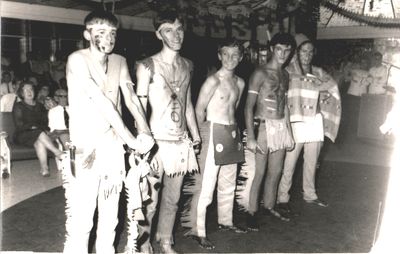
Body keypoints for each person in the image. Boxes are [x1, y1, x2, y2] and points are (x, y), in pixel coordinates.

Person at [63, 10, 154, 254]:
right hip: (86, 149)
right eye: (101, 32)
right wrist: (132, 141)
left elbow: (131, 99)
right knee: (82, 221)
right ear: (87, 34)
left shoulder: (119, 61)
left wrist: (146, 132)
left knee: (111, 218)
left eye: (112, 33)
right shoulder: (77, 59)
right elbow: (103, 102)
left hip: (112, 149)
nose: (108, 38)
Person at [136, 10, 201, 254]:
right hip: (156, 143)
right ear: (158, 34)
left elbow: (188, 104)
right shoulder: (147, 66)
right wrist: (143, 142)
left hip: (180, 142)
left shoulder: (188, 65)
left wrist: (195, 135)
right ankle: (143, 245)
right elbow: (139, 107)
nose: (176, 35)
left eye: (179, 29)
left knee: (173, 199)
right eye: (168, 30)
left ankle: (165, 240)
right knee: (149, 201)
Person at [182, 38, 246, 249]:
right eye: (226, 54)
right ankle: (197, 230)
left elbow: (234, 108)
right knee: (206, 184)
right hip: (212, 131)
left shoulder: (240, 82)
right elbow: (199, 109)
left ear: (241, 57)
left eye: (235, 55)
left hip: (231, 132)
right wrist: (198, 139)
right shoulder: (213, 81)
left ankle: (226, 221)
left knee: (229, 181)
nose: (230, 59)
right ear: (219, 56)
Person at [277, 33, 341, 211]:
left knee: (312, 161)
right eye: (303, 51)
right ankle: (282, 197)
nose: (307, 55)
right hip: (296, 122)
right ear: (297, 53)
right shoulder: (288, 71)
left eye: (310, 52)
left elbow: (332, 85)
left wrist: (315, 85)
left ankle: (310, 194)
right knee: (290, 162)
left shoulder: (318, 71)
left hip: (314, 121)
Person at [238, 33, 295, 231]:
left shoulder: (286, 75)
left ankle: (269, 205)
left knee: (276, 171)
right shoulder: (259, 73)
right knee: (259, 172)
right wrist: (251, 137)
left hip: (280, 126)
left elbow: (285, 105)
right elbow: (248, 107)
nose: (283, 54)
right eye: (279, 49)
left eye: (287, 50)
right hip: (262, 126)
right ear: (272, 48)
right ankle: (251, 212)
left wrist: (290, 132)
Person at [12, 81, 65, 176]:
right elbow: (19, 125)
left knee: (39, 141)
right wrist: (34, 127)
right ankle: (57, 152)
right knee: (39, 133)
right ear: (21, 93)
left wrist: (39, 127)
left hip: (38, 134)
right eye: (26, 90)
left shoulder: (40, 106)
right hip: (22, 135)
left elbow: (45, 123)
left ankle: (44, 169)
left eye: (31, 89)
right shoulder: (18, 106)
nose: (29, 92)